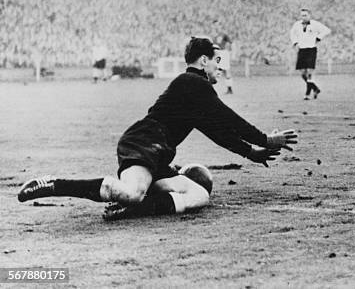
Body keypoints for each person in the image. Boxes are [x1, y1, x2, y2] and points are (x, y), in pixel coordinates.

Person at [18, 37, 298, 220]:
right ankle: (54, 184)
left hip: (158, 152)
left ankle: (131, 211)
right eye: (217, 62)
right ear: (203, 61)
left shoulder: (195, 91)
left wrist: (252, 153)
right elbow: (228, 118)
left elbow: (218, 131)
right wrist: (264, 139)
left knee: (200, 195)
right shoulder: (193, 82)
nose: (220, 69)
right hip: (144, 141)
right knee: (131, 192)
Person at [290, 8, 331, 100]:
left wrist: (318, 38)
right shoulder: (297, 24)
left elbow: (327, 30)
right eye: (302, 15)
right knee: (302, 73)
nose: (303, 17)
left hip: (311, 49)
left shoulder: (315, 24)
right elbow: (292, 33)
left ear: (309, 16)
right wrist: (295, 42)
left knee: (309, 72)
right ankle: (315, 88)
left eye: (305, 15)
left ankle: (307, 94)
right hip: (302, 50)